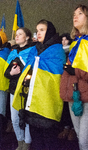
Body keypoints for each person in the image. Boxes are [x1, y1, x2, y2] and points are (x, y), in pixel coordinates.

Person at [12, 19, 66, 150]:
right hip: (32, 102)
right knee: (36, 141)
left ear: (50, 31)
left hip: (47, 103)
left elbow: (56, 77)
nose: (38, 33)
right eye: (37, 30)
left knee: (49, 140)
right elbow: (29, 70)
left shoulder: (57, 51)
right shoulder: (34, 50)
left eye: (42, 30)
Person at [60, 4, 88, 150]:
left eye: (80, 13)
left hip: (86, 96)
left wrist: (74, 71)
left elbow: (79, 70)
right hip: (74, 94)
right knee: (79, 137)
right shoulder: (75, 43)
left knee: (84, 140)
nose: (75, 17)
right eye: (74, 14)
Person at [4, 27, 34, 150]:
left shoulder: (33, 50)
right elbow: (5, 73)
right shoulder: (13, 52)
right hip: (13, 90)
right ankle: (20, 142)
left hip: (26, 90)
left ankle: (27, 144)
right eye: (16, 34)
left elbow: (32, 70)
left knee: (25, 118)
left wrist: (21, 69)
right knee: (14, 118)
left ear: (27, 37)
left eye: (20, 34)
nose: (16, 36)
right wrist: (11, 73)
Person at [58, 33, 77, 141]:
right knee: (65, 108)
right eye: (62, 39)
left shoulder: (72, 52)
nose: (63, 42)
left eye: (66, 40)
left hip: (73, 83)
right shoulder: (60, 53)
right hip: (63, 82)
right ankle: (66, 128)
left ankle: (73, 129)